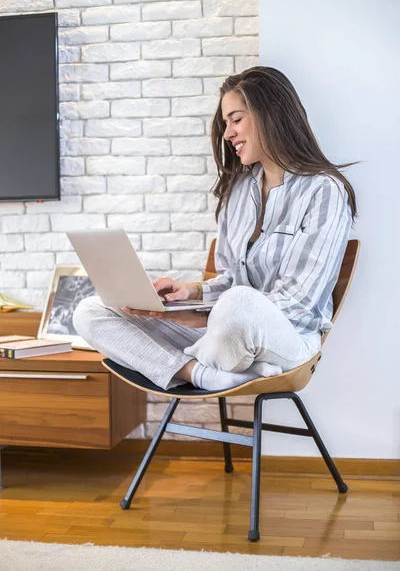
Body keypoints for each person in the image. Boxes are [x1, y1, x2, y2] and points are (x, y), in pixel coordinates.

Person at [73, 66, 357, 392]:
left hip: (285, 337)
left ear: (271, 115)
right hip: (224, 333)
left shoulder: (324, 190)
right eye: (226, 124)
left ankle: (197, 359)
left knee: (238, 306)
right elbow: (229, 281)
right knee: (90, 311)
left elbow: (299, 303)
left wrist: (201, 315)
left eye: (236, 120)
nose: (227, 134)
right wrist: (191, 294)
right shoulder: (239, 191)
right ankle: (200, 373)